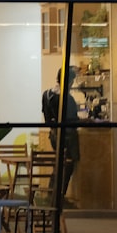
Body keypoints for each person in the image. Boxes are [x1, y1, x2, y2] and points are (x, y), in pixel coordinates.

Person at [41, 67, 81, 198]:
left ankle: (51, 194)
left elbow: (47, 119)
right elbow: (72, 120)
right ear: (69, 81)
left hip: (54, 135)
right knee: (67, 164)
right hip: (68, 136)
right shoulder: (67, 98)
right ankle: (60, 196)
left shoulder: (46, 94)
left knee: (58, 163)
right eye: (72, 81)